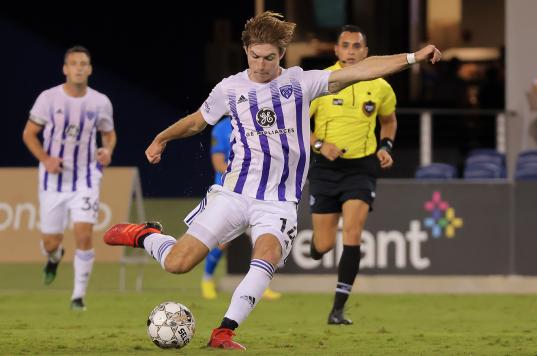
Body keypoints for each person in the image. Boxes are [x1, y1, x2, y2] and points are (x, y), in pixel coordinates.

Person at [103, 11, 441, 350]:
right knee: (177, 264)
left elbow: (364, 70)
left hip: (277, 202)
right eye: (254, 56)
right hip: (233, 193)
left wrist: (413, 57)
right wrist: (161, 138)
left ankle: (224, 332)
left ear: (281, 54)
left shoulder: (300, 83)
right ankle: (147, 235)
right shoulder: (230, 88)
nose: (261, 65)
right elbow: (196, 122)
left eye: (269, 57)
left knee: (266, 254)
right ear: (246, 51)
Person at [307, 25, 397, 325]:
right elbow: (294, 127)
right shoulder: (321, 83)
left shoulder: (380, 86)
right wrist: (320, 144)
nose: (351, 51)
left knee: (353, 234)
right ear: (336, 50)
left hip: (361, 168)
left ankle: (337, 310)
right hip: (325, 169)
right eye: (345, 46)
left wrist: (385, 146)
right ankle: (318, 249)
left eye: (357, 46)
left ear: (366, 52)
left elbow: (388, 121)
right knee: (324, 244)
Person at [22, 46, 116, 311]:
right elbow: (29, 134)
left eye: (83, 63)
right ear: (65, 69)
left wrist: (107, 151)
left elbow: (109, 134)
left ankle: (78, 297)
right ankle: (54, 257)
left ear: (90, 69)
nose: (78, 67)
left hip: (86, 179)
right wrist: (46, 159)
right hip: (53, 180)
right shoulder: (48, 99)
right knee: (51, 242)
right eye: (73, 63)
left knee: (83, 234)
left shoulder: (100, 102)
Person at [199, 115, 281, 301]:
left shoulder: (259, 123)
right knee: (222, 241)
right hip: (229, 191)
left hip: (257, 193)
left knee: (263, 238)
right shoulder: (221, 128)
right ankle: (207, 280)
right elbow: (218, 162)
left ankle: (260, 286)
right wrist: (243, 175)